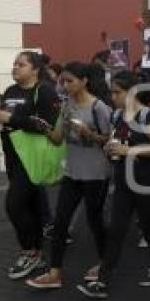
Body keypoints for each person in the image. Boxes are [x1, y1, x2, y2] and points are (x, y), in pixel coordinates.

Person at [77, 71, 150, 299]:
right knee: (116, 228)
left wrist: (128, 150)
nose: (112, 97)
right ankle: (103, 281)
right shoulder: (118, 115)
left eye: (116, 92)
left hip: (147, 179)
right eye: (111, 92)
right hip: (124, 178)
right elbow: (115, 139)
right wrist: (110, 146)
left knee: (149, 227)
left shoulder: (146, 115)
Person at [26, 62, 113, 289]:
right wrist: (43, 127)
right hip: (72, 173)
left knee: (95, 222)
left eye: (70, 81)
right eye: (63, 81)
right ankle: (55, 273)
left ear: (84, 81)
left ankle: (105, 263)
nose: (65, 85)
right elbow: (57, 139)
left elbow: (110, 141)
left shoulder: (99, 107)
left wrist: (88, 134)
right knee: (61, 222)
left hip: (95, 175)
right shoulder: (66, 106)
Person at [0, 51, 59, 279]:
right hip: (12, 155)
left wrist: (11, 120)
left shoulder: (44, 91)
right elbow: (6, 119)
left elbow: (47, 125)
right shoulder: (10, 90)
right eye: (14, 64)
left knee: (14, 205)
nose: (15, 67)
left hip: (32, 158)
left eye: (21, 64)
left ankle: (30, 252)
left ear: (35, 69)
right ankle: (38, 251)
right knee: (29, 205)